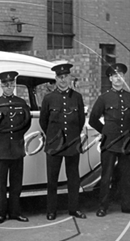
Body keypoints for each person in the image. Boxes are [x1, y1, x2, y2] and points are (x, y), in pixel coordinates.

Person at [89, 63, 130, 217]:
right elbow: (93, 120)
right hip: (109, 142)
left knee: (125, 176)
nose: (118, 78)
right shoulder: (104, 98)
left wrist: (127, 130)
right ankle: (103, 207)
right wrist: (105, 132)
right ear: (110, 79)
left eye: (121, 75)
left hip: (126, 142)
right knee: (106, 176)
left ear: (123, 78)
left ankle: (127, 206)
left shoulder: (129, 97)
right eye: (115, 76)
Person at [39, 63, 86, 220]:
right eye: (60, 77)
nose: (63, 80)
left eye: (65, 77)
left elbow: (80, 121)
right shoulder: (48, 98)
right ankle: (51, 210)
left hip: (72, 144)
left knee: (73, 179)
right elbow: (43, 122)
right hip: (54, 146)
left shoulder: (77, 97)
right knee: (52, 179)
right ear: (55, 79)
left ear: (70, 78)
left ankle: (74, 209)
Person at [0, 71, 31, 224]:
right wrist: (0, 138)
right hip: (0, 151)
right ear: (1, 85)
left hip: (17, 150)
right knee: (1, 185)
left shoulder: (21, 103)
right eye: (6, 84)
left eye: (11, 84)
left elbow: (26, 123)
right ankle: (0, 214)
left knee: (16, 185)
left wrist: (17, 137)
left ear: (14, 85)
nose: (9, 87)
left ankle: (15, 212)